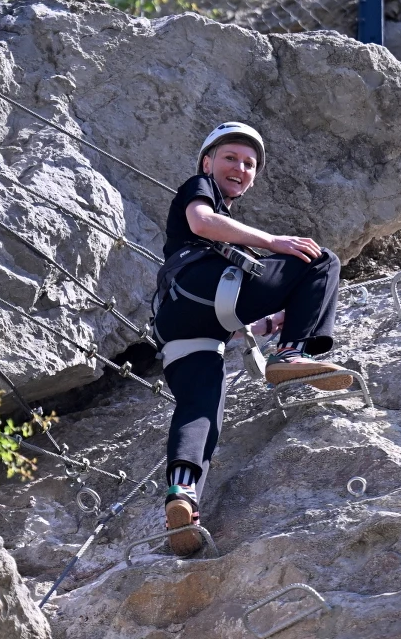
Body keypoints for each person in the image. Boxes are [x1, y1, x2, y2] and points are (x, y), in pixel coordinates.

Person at [151, 121, 352, 554]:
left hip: (183, 325)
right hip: (203, 286)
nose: (240, 168)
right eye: (230, 158)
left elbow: (221, 306)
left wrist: (263, 325)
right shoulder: (197, 186)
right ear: (208, 162)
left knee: (200, 409)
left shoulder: (217, 206)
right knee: (319, 260)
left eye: (249, 164)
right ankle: (293, 354)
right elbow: (202, 223)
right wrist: (273, 242)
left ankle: (182, 496)